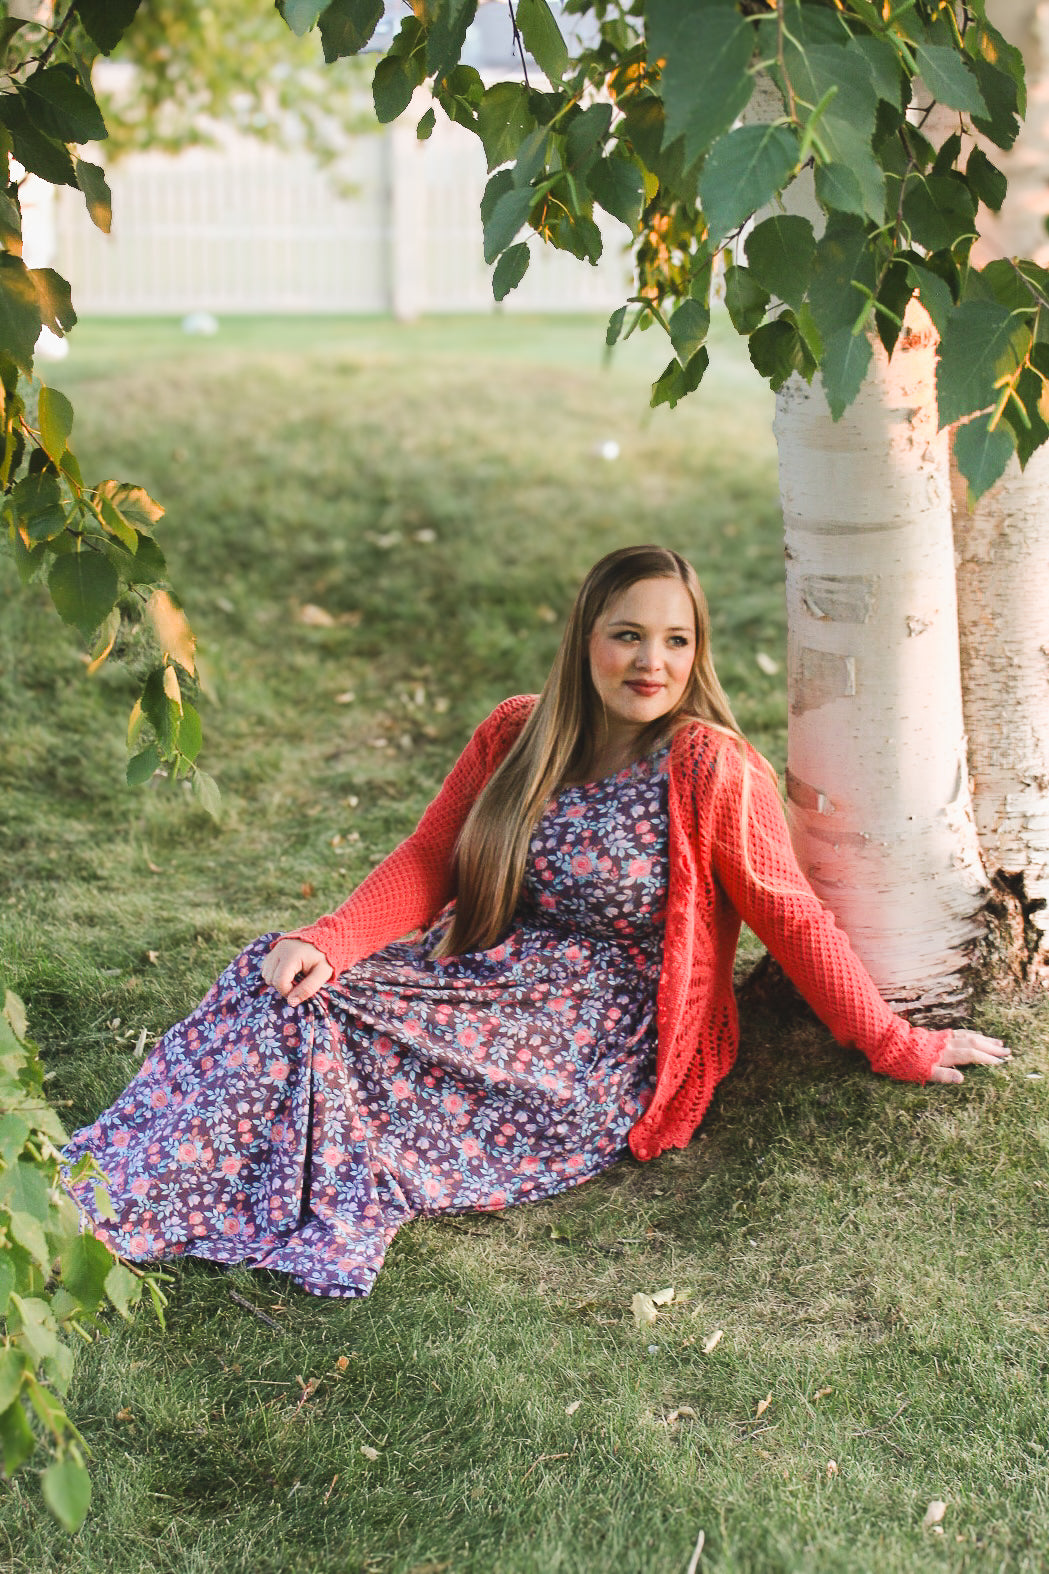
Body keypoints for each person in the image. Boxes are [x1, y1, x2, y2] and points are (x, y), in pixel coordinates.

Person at [64, 545, 1010, 1298]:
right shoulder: (518, 734)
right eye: (627, 635)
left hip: (591, 1037)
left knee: (326, 1032)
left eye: (676, 641)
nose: (652, 662)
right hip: (490, 977)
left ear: (698, 650)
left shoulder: (709, 768)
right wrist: (331, 936)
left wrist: (894, 1043)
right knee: (276, 979)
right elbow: (429, 857)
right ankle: (99, 1180)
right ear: (583, 639)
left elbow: (790, 915)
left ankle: (115, 1207)